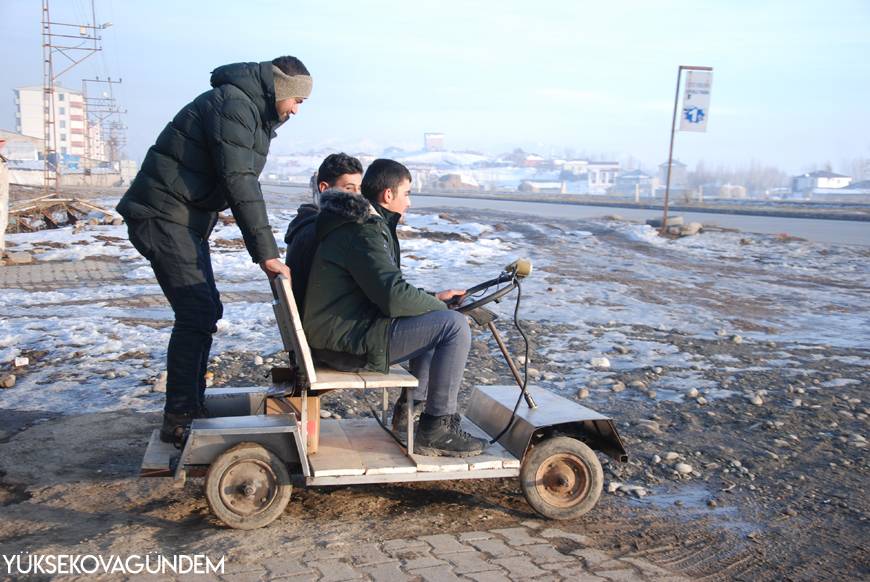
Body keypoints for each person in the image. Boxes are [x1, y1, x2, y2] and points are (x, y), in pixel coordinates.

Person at [116, 56, 312, 444]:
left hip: (182, 217)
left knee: (206, 310)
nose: (295, 111)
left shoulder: (250, 110)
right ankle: (180, 415)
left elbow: (237, 179)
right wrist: (266, 252)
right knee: (196, 310)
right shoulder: (234, 105)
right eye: (297, 101)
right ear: (280, 90)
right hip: (163, 213)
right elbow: (239, 180)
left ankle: (190, 405)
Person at [303, 159, 488, 457]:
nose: (410, 203)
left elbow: (386, 290)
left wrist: (436, 301)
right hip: (345, 342)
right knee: (453, 326)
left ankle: (410, 414)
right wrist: (443, 309)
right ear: (388, 195)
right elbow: (392, 297)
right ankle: (436, 428)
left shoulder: (362, 226)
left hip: (343, 332)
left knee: (437, 320)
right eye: (407, 193)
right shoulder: (364, 231)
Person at [284, 153, 363, 313]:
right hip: (329, 326)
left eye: (359, 188)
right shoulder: (322, 233)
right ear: (324, 188)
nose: (357, 196)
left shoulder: (306, 225)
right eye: (349, 188)